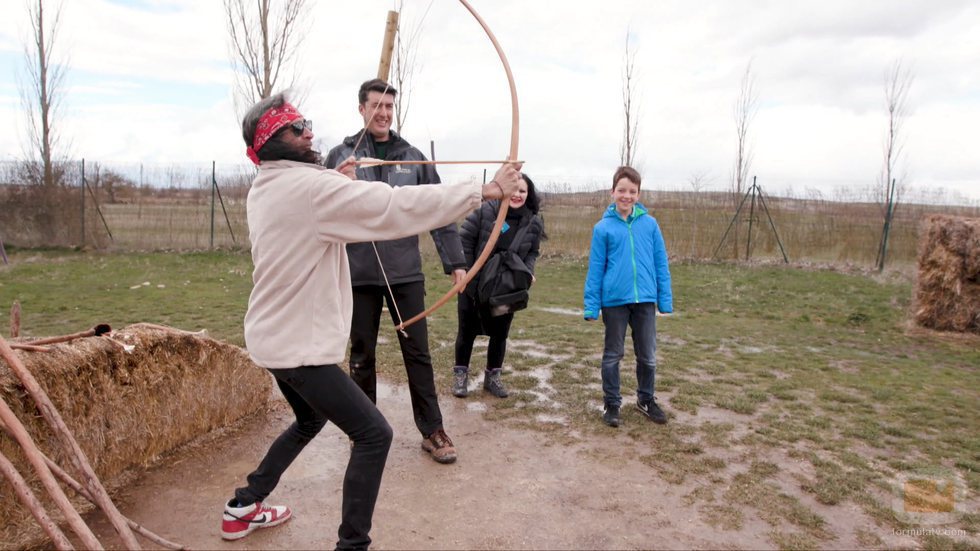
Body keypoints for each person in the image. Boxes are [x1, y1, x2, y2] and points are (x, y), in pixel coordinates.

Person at [221, 92, 522, 550]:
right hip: (297, 346)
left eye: (305, 122)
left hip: (273, 338)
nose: (308, 131)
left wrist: (332, 183)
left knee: (309, 420)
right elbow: (394, 207)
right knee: (374, 434)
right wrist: (483, 191)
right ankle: (352, 545)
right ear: (273, 142)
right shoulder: (312, 189)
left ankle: (244, 505)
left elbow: (317, 203)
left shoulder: (268, 183)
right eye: (295, 126)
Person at [323, 78, 467, 465]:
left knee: (417, 353)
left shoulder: (413, 156)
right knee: (362, 354)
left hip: (405, 273)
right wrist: (338, 181)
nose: (384, 113)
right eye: (376, 106)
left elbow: (438, 208)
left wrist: (455, 262)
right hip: (359, 273)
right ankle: (363, 428)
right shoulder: (341, 155)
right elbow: (320, 208)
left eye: (389, 107)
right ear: (361, 108)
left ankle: (432, 430)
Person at [583, 166, 673, 428]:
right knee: (613, 355)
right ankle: (612, 403)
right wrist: (592, 306)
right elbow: (596, 269)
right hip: (614, 302)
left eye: (632, 191)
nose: (626, 196)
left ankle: (646, 399)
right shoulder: (602, 229)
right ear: (613, 192)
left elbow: (661, 264)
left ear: (638, 194)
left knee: (648, 355)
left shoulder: (650, 224)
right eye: (621, 190)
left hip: (645, 300)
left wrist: (664, 300)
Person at [451, 173, 545, 399]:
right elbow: (464, 239)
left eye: (523, 191)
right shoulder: (485, 212)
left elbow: (533, 251)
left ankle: (492, 378)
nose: (517, 195)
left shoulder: (533, 221)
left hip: (507, 288)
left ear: (528, 194)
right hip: (474, 285)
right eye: (513, 189)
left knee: (500, 333)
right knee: (467, 332)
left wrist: (528, 270)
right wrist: (465, 272)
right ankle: (460, 377)